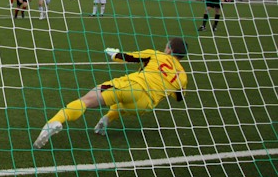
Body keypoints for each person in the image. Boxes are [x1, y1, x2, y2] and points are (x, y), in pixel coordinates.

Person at [33, 37, 189, 149]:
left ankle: (54, 122)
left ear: (170, 49)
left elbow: (127, 57)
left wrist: (114, 54)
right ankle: (106, 119)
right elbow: (179, 97)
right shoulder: (182, 76)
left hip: (133, 86)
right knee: (122, 105)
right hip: (145, 105)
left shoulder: (156, 54)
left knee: (87, 100)